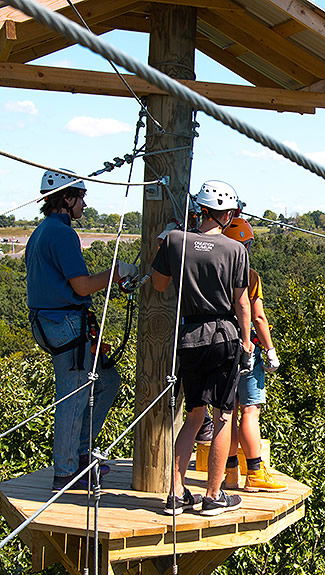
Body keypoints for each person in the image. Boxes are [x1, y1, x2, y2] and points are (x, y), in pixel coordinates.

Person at [26, 169, 133, 490]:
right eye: (81, 197)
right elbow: (83, 286)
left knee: (107, 381)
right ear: (67, 198)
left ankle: (80, 455)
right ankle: (67, 472)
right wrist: (116, 273)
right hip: (65, 325)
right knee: (73, 397)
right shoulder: (62, 234)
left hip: (55, 324)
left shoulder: (43, 231)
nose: (84, 204)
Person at [151, 180, 253, 516]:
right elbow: (241, 303)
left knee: (194, 417)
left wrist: (166, 245)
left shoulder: (175, 242)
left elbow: (159, 283)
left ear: (200, 209)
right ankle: (212, 495)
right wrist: (247, 342)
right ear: (227, 215)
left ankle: (176, 492)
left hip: (190, 335)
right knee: (222, 417)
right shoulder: (235, 250)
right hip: (224, 334)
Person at [220, 218, 286, 492]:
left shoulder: (214, 269)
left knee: (226, 412)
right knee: (249, 411)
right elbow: (257, 316)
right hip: (245, 348)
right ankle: (255, 473)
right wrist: (270, 350)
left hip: (218, 343)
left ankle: (231, 472)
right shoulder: (249, 276)